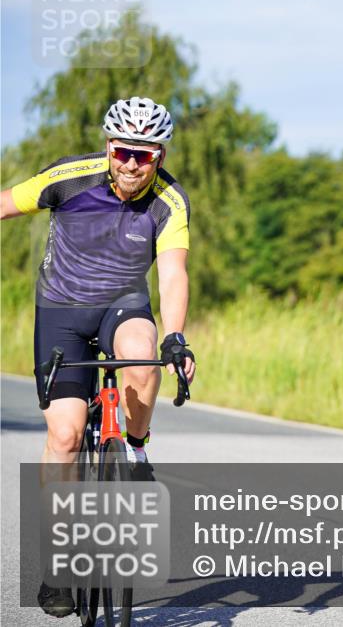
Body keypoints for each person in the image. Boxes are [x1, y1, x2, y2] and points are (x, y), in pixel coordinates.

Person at [0, 96, 196, 618]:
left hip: (123, 306)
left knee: (143, 352)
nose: (132, 164)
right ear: (109, 147)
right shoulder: (68, 178)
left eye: (145, 155)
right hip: (61, 311)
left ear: (159, 155)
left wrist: (177, 336)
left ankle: (136, 449)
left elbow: (173, 273)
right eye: (124, 151)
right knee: (65, 436)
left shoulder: (170, 201)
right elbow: (4, 204)